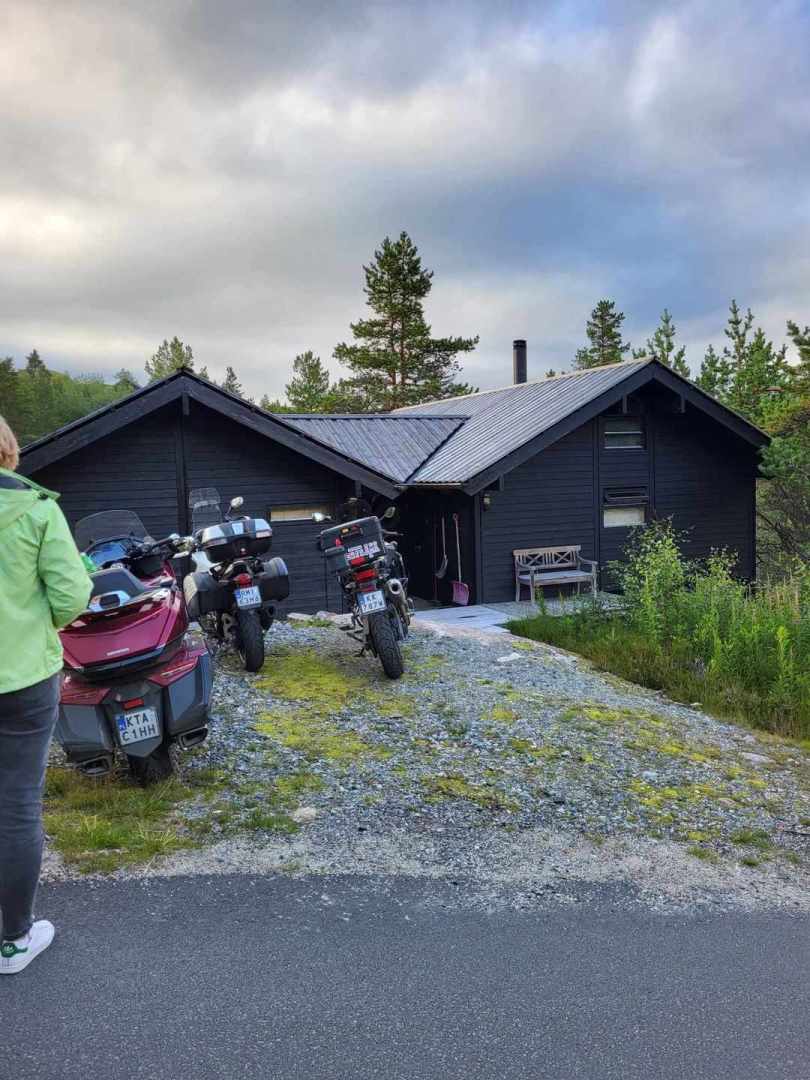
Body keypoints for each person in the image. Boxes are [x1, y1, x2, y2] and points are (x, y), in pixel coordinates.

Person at [0, 414, 91, 975]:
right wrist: (37, 625)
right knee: (15, 806)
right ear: (7, 448)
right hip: (24, 678)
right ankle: (13, 941)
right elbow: (71, 594)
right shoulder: (35, 509)